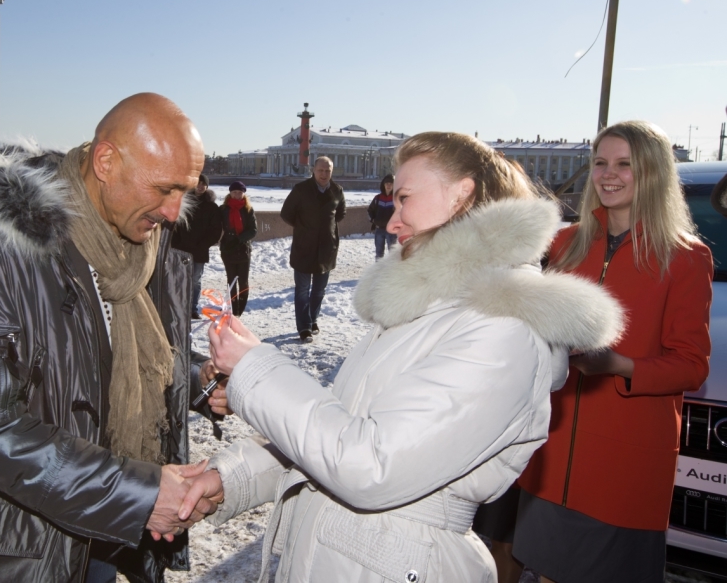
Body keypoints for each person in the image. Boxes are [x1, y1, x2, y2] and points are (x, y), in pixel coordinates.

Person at [188, 132, 624, 582]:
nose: (393, 222)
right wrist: (233, 478)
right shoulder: (431, 306)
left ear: (461, 195)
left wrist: (257, 368)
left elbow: (370, 465)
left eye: (404, 199)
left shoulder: (504, 327)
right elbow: (341, 425)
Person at [0, 93, 225, 583]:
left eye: (184, 191)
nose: (173, 211)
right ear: (106, 161)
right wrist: (138, 492)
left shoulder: (140, 246)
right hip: (19, 548)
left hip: (103, 531)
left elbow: (107, 355)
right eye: (165, 188)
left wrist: (199, 380)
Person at [514, 121, 713, 583]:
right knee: (541, 573)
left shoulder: (686, 257)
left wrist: (618, 365)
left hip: (625, 464)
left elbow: (691, 365)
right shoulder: (565, 243)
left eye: (625, 164)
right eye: (601, 162)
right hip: (553, 451)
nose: (609, 174)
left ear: (654, 172)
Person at [280, 156, 346, 343]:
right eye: (321, 170)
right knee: (302, 290)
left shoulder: (337, 191)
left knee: (319, 290)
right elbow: (286, 213)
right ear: (313, 170)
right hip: (304, 247)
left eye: (328, 171)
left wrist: (326, 229)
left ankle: (312, 319)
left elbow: (340, 213)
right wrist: (304, 228)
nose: (324, 174)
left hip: (326, 249)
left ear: (331, 172)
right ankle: (304, 327)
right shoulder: (301, 190)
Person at [172, 173, 222, 319]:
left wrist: (202, 244)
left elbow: (215, 231)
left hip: (199, 250)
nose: (200, 187)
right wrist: (177, 244)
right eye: (198, 184)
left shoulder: (212, 207)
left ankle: (192, 308)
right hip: (181, 249)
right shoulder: (183, 203)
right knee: (180, 279)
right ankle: (179, 307)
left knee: (195, 280)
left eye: (203, 184)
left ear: (207, 187)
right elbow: (176, 226)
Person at [219, 181, 257, 317]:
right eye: (234, 192)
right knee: (231, 280)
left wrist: (239, 239)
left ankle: (240, 309)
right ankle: (234, 308)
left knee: (243, 281)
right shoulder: (223, 209)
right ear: (230, 193)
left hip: (243, 248)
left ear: (243, 194)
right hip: (228, 249)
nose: (237, 195)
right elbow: (216, 226)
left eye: (240, 192)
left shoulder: (248, 209)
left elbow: (253, 230)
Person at [367, 173, 396, 258]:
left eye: (391, 183)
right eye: (387, 183)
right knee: (379, 255)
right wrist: (373, 220)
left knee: (393, 255)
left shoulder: (396, 199)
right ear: (383, 185)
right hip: (379, 230)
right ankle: (378, 270)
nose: (388, 185)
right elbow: (369, 211)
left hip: (392, 231)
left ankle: (392, 271)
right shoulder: (378, 198)